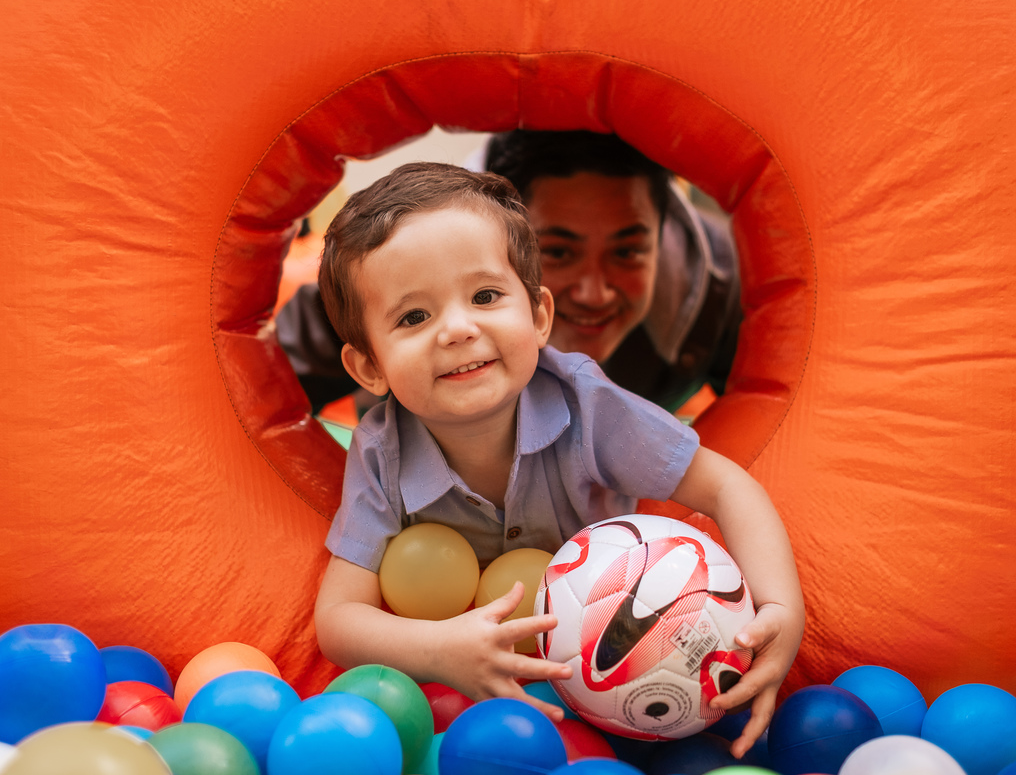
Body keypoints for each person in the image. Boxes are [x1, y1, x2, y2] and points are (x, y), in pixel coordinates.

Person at [311, 162, 803, 760]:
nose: (458, 329)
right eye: (414, 316)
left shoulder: (588, 406)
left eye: (485, 296)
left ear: (540, 316)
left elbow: (727, 487)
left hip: (619, 644)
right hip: (472, 699)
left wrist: (781, 607)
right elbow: (338, 618)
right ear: (369, 367)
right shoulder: (382, 452)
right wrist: (440, 650)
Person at [274, 131, 740, 414]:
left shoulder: (721, 288)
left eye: (627, 252)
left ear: (663, 233)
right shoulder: (388, 273)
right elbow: (263, 406)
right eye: (558, 252)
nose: (594, 292)